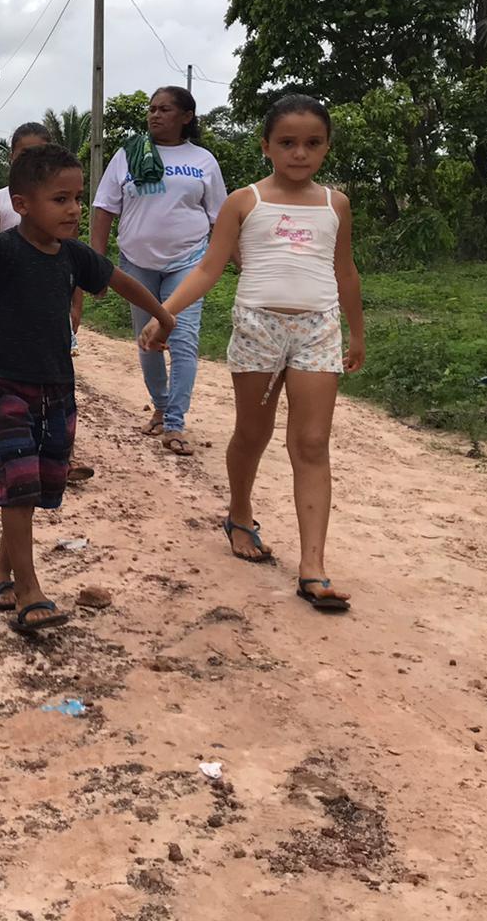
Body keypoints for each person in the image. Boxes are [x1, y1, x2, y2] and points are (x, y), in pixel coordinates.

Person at [0, 145, 173, 634]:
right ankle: (31, 592)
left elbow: (121, 281)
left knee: (39, 484)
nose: (73, 209)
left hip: (57, 388)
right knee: (20, 481)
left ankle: (1, 573)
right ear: (22, 203)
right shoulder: (0, 248)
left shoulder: (75, 256)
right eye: (60, 199)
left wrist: (162, 314)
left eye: (78, 197)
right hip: (2, 381)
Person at [140, 95, 363, 612]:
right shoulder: (244, 201)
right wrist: (164, 313)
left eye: (312, 143)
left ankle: (313, 567)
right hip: (259, 328)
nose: (300, 153)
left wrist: (356, 332)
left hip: (317, 329)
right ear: (266, 146)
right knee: (252, 434)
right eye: (288, 143)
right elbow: (206, 269)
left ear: (327, 147)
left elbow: (345, 271)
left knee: (311, 443)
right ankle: (240, 514)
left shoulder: (336, 204)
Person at [90, 86, 227, 458]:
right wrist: (96, 266)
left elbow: (222, 219)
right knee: (148, 340)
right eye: (152, 109)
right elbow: (103, 210)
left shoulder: (203, 161)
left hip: (188, 262)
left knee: (182, 339)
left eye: (164, 109)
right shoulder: (129, 154)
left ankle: (175, 423)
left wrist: (239, 264)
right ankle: (162, 405)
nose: (154, 115)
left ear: (186, 116)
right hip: (136, 263)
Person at [0, 120, 94, 482]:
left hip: (51, 305)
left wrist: (76, 304)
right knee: (16, 372)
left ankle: (56, 457)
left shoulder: (60, 206)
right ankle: (21, 459)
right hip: (9, 301)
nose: (71, 207)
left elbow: (75, 263)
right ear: (12, 158)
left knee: (53, 376)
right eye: (25, 154)